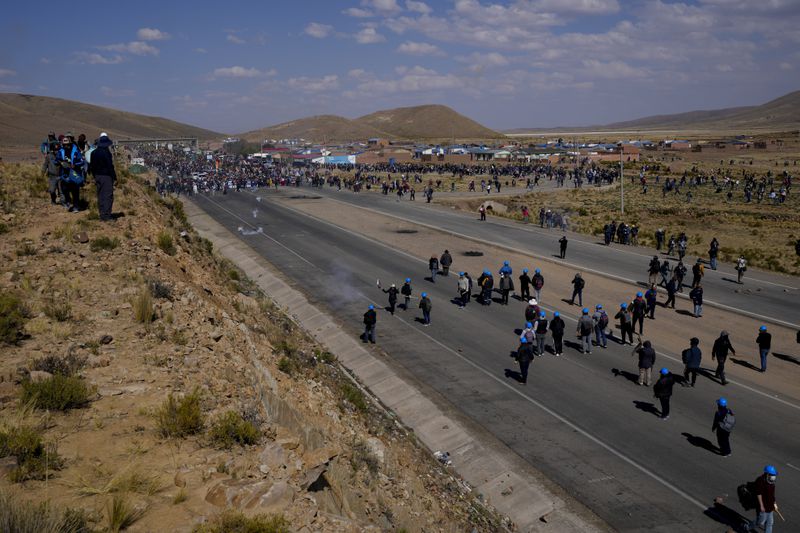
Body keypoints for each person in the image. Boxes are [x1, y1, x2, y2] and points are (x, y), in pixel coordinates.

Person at [88, 133, 117, 221]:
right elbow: (110, 166)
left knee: (100, 195)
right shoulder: (106, 153)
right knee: (108, 196)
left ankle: (102, 214)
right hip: (106, 176)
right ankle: (107, 215)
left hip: (97, 176)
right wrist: (114, 177)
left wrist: (94, 176)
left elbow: (91, 166)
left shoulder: (93, 153)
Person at [57, 132, 86, 212]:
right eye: (64, 145)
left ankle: (76, 206)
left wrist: (75, 165)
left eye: (67, 145)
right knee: (64, 188)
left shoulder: (75, 151)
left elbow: (82, 161)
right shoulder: (61, 151)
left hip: (74, 173)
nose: (66, 146)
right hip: (65, 173)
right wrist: (60, 162)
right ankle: (68, 201)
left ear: (70, 143)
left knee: (75, 190)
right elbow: (57, 160)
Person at [752, 465, 778, 533]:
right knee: (760, 522)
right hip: (763, 507)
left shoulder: (772, 483)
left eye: (774, 475)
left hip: (770, 507)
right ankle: (747, 527)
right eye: (772, 474)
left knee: (770, 523)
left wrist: (774, 503)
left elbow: (772, 495)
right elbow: (759, 494)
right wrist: (761, 505)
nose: (773, 476)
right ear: (767, 474)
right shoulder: (760, 481)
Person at [42, 140, 63, 205]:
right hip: (52, 176)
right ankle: (53, 200)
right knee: (52, 190)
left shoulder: (61, 156)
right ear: (52, 150)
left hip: (60, 175)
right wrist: (43, 171)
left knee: (62, 191)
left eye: (57, 150)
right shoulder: (49, 156)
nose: (56, 151)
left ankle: (63, 202)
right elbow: (45, 164)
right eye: (55, 150)